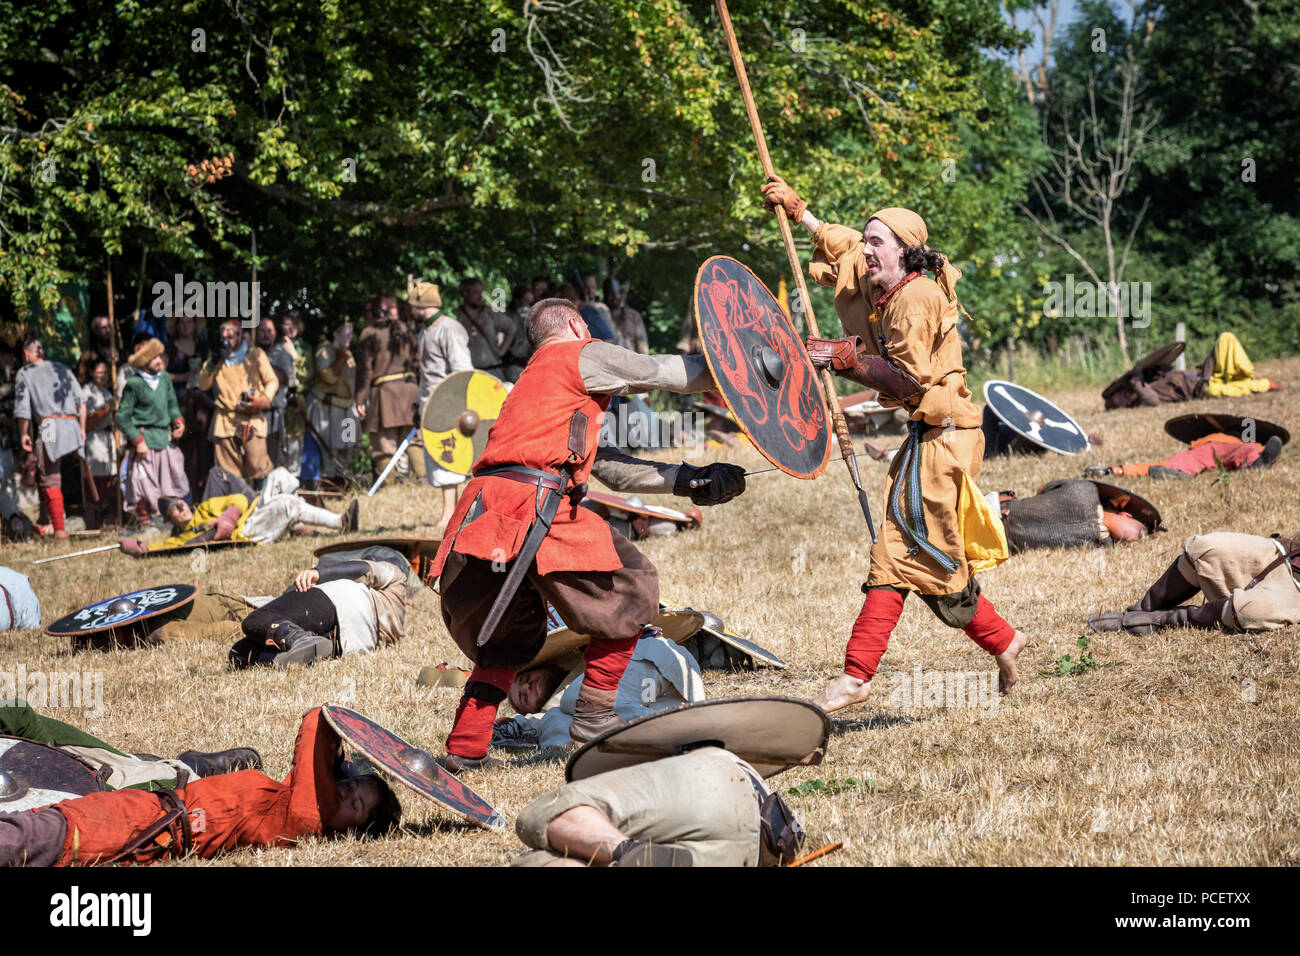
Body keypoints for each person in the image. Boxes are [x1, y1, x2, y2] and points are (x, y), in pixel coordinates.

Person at [428, 297, 749, 772]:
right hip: (531, 508)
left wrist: (691, 480)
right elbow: (668, 373)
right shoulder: (582, 354)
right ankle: (594, 720)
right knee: (633, 585)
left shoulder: (532, 388)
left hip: (485, 513)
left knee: (508, 636)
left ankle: (465, 748)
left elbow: (611, 471)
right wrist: (749, 371)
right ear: (577, 325)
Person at [760, 179, 1028, 710]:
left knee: (899, 552)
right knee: (929, 560)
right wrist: (799, 213)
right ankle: (1004, 639)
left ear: (905, 251)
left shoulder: (916, 297)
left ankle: (857, 677)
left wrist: (847, 360)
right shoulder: (881, 278)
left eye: (877, 241)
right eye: (866, 239)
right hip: (928, 437)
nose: (866, 249)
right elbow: (839, 246)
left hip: (948, 440)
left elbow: (909, 381)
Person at [0, 707, 401, 867]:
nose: (346, 793)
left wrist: (346, 738)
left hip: (147, 825)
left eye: (356, 804)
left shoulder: (305, 816)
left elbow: (317, 720)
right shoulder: (297, 798)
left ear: (349, 831)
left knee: (37, 837)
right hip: (147, 805)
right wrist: (343, 766)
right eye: (351, 786)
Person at [511, 747, 804, 866]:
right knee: (531, 861)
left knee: (543, 815)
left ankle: (625, 850)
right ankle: (629, 852)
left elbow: (545, 811)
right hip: (764, 831)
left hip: (713, 791)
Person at [493, 629, 703, 749]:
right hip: (672, 699)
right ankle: (672, 733)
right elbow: (536, 721)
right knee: (560, 726)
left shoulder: (577, 666)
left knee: (578, 701)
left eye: (526, 677)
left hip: (653, 658)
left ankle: (661, 732)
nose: (528, 686)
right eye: (523, 695)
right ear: (531, 708)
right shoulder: (555, 712)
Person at [0, 699, 260, 792]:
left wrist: (47, 766)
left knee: (142, 787)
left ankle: (186, 769)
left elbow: (16, 714)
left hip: (52, 770)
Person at [1088, 532, 1299, 635]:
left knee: (1250, 611)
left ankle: (1161, 620)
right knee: (1206, 548)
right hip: (1286, 555)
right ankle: (1141, 609)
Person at [117, 465, 358, 555]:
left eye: (180, 504)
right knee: (288, 503)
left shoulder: (205, 508)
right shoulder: (183, 536)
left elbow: (239, 501)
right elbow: (159, 548)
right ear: (172, 520)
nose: (181, 510)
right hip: (248, 531)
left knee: (280, 474)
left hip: (250, 513)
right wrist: (138, 548)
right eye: (175, 512)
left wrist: (227, 518)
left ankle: (293, 525)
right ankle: (340, 523)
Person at [228, 557, 407, 669]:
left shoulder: (397, 576)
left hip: (343, 600)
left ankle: (301, 639)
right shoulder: (397, 624)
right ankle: (284, 659)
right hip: (352, 642)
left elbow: (365, 569)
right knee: (240, 652)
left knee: (256, 619)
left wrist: (318, 573)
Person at [412, 278, 474, 533]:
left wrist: (453, 401)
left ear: (422, 305)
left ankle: (452, 513)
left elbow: (462, 368)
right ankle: (449, 511)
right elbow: (426, 374)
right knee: (440, 457)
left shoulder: (449, 328)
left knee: (449, 455)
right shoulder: (425, 331)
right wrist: (419, 404)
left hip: (448, 401)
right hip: (431, 402)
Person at [14, 336, 84, 540]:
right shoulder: (62, 368)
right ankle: (47, 522)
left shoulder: (24, 372)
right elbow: (82, 401)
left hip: (51, 426)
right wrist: (82, 430)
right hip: (72, 424)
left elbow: (23, 409)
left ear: (26, 354)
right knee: (45, 473)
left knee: (49, 477)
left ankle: (60, 530)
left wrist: (23, 434)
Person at [198, 318, 279, 485]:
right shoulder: (217, 359)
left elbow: (272, 381)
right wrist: (213, 362)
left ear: (241, 335)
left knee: (258, 466)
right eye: (224, 337)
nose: (227, 340)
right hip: (226, 419)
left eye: (231, 336)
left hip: (252, 417)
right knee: (229, 471)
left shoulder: (255, 354)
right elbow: (203, 384)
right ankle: (236, 506)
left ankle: (262, 504)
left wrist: (264, 399)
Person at [118, 338, 189, 521]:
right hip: (145, 440)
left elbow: (172, 405)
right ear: (144, 362)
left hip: (163, 438)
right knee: (143, 483)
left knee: (172, 479)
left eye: (160, 356)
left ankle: (168, 518)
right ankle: (146, 521)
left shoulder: (164, 379)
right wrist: (138, 441)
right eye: (155, 358)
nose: (160, 361)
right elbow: (123, 417)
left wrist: (178, 421)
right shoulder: (134, 384)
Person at [355, 294, 422, 483]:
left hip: (385, 395)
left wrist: (359, 399)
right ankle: (423, 484)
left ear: (373, 312)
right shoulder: (407, 329)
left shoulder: (369, 333)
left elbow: (365, 370)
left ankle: (390, 489)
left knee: (384, 444)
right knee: (414, 441)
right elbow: (417, 364)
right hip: (410, 393)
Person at [1085, 431, 1284, 480]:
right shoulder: (1205, 440)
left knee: (1249, 450)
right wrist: (1113, 470)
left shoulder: (1250, 442)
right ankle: (1176, 473)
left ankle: (1259, 463)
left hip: (1244, 447)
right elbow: (1150, 466)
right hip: (1205, 450)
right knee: (1180, 460)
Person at [306, 320, 359, 488]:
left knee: (348, 447)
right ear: (336, 334)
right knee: (329, 449)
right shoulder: (324, 351)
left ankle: (342, 480)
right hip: (328, 409)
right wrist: (341, 358)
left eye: (351, 333)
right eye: (346, 333)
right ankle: (328, 484)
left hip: (348, 409)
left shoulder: (349, 354)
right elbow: (328, 377)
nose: (350, 337)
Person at [79, 358, 117, 530]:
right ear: (92, 373)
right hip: (94, 440)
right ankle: (92, 525)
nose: (103, 376)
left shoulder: (108, 393)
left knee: (110, 482)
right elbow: (88, 421)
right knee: (94, 483)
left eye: (106, 372)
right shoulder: (86, 392)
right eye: (99, 372)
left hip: (108, 439)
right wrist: (107, 409)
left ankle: (106, 522)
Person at [453, 278, 515, 380]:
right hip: (466, 375)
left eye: (481, 292)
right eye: (476, 292)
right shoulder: (455, 316)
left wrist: (501, 351)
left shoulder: (489, 313)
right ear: (465, 293)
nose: (480, 296)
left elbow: (511, 327)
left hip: (491, 372)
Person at [604, 278, 648, 355]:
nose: (614, 297)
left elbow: (642, 342)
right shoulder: (600, 315)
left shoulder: (634, 315)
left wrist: (643, 361)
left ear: (621, 294)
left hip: (632, 361)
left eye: (617, 293)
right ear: (605, 294)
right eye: (610, 293)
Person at [503, 284, 534, 381]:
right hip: (512, 367)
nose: (527, 307)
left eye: (530, 303)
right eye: (525, 301)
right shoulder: (507, 320)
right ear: (517, 300)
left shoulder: (530, 320)